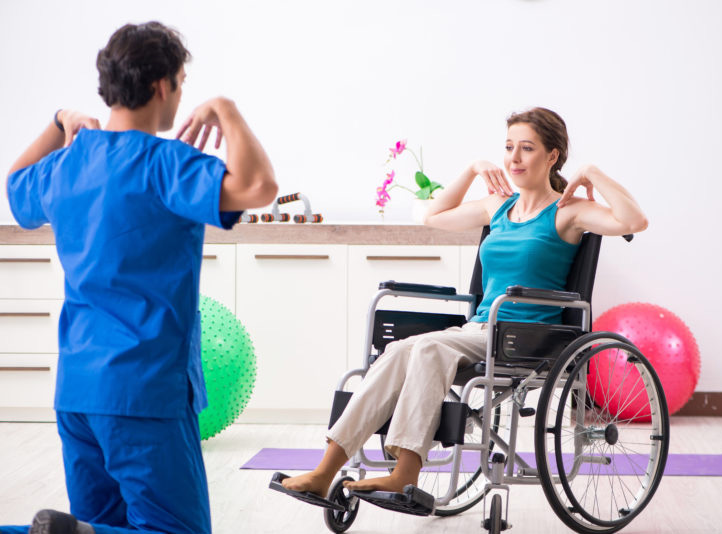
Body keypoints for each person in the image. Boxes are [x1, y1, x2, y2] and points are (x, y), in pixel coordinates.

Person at [279, 107, 647, 498]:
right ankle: (325, 470)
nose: (514, 159)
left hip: (527, 335)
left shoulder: (567, 211)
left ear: (552, 156)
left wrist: (592, 172)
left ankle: (405, 470)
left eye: (527, 149)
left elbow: (634, 221)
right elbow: (430, 215)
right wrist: (473, 169)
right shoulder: (499, 207)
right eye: (508, 148)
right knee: (398, 350)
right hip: (480, 330)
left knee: (428, 346)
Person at [1, 22, 277, 534]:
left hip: (77, 393)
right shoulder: (166, 164)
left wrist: (58, 121)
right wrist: (228, 111)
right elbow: (260, 186)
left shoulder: (66, 165)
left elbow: (15, 186)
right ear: (163, 86)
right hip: (145, 393)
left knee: (102, 525)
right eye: (182, 81)